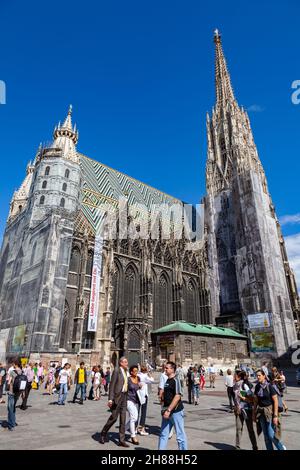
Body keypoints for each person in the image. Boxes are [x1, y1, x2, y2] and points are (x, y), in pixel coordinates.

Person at [99, 356, 130, 447]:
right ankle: (103, 433)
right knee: (114, 417)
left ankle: (121, 440)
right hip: (117, 397)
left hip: (124, 397)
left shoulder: (125, 371)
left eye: (127, 362)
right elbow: (112, 385)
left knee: (123, 419)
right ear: (121, 363)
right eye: (125, 362)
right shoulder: (117, 370)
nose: (127, 363)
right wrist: (110, 399)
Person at [253, 369, 286, 450]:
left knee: (271, 435)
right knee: (266, 437)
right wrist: (254, 414)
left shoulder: (269, 386)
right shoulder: (257, 387)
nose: (258, 377)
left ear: (264, 376)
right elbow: (256, 401)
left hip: (269, 412)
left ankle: (281, 448)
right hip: (261, 413)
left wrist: (275, 416)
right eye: (257, 375)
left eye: (259, 375)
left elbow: (275, 401)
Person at [158, 361, 187, 450]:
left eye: (167, 368)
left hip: (175, 411)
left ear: (172, 369)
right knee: (163, 434)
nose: (165, 369)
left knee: (180, 435)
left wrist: (169, 410)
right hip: (166, 411)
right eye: (165, 368)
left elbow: (178, 395)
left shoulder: (176, 380)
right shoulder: (167, 380)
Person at [233, 370, 258, 450]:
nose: (233, 377)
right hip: (239, 410)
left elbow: (251, 399)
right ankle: (237, 446)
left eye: (235, 376)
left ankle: (255, 447)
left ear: (239, 377)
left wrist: (243, 398)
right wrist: (236, 407)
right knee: (238, 429)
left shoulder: (244, 385)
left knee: (250, 430)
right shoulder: (235, 386)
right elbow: (236, 399)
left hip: (247, 410)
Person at [3, 359, 25, 431]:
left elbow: (9, 382)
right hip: (18, 393)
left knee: (10, 409)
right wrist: (23, 393)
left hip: (12, 392)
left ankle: (10, 425)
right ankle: (13, 422)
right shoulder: (22, 371)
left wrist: (6, 388)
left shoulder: (12, 372)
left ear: (15, 364)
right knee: (13, 408)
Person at [126, 365, 142, 444]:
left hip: (136, 400)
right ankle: (133, 436)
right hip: (128, 400)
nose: (136, 372)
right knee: (134, 417)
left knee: (134, 418)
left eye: (137, 371)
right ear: (131, 372)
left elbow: (138, 388)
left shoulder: (138, 378)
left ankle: (122, 430)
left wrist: (140, 387)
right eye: (135, 371)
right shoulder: (128, 379)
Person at [137, 365, 154, 435]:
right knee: (143, 412)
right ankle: (142, 428)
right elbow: (152, 380)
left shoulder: (138, 375)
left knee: (137, 412)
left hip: (137, 394)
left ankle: (135, 427)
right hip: (144, 395)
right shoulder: (145, 376)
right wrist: (149, 373)